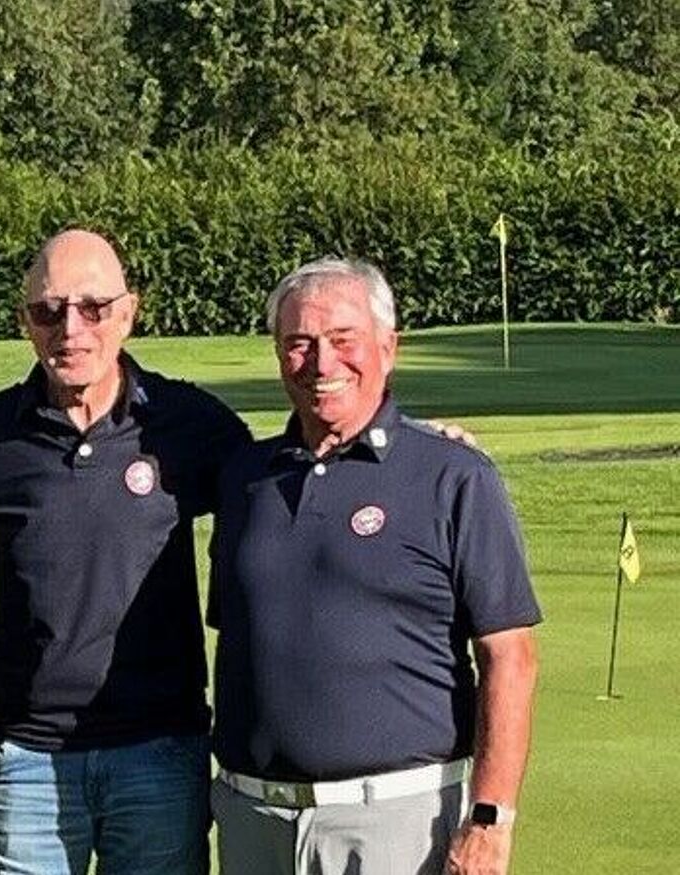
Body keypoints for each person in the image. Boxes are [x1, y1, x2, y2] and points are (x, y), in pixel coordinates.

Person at [0, 229, 247, 873]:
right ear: (26, 322)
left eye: (93, 307)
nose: (71, 329)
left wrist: (413, 454)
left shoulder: (186, 423)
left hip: (160, 753)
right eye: (48, 311)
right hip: (27, 761)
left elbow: (287, 479)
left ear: (128, 313)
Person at [208, 257, 540, 875]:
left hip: (398, 821)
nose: (321, 363)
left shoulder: (452, 475)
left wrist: (491, 819)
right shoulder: (245, 478)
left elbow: (510, 656)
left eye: (343, 339)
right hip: (255, 818)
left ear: (388, 348)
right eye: (299, 343)